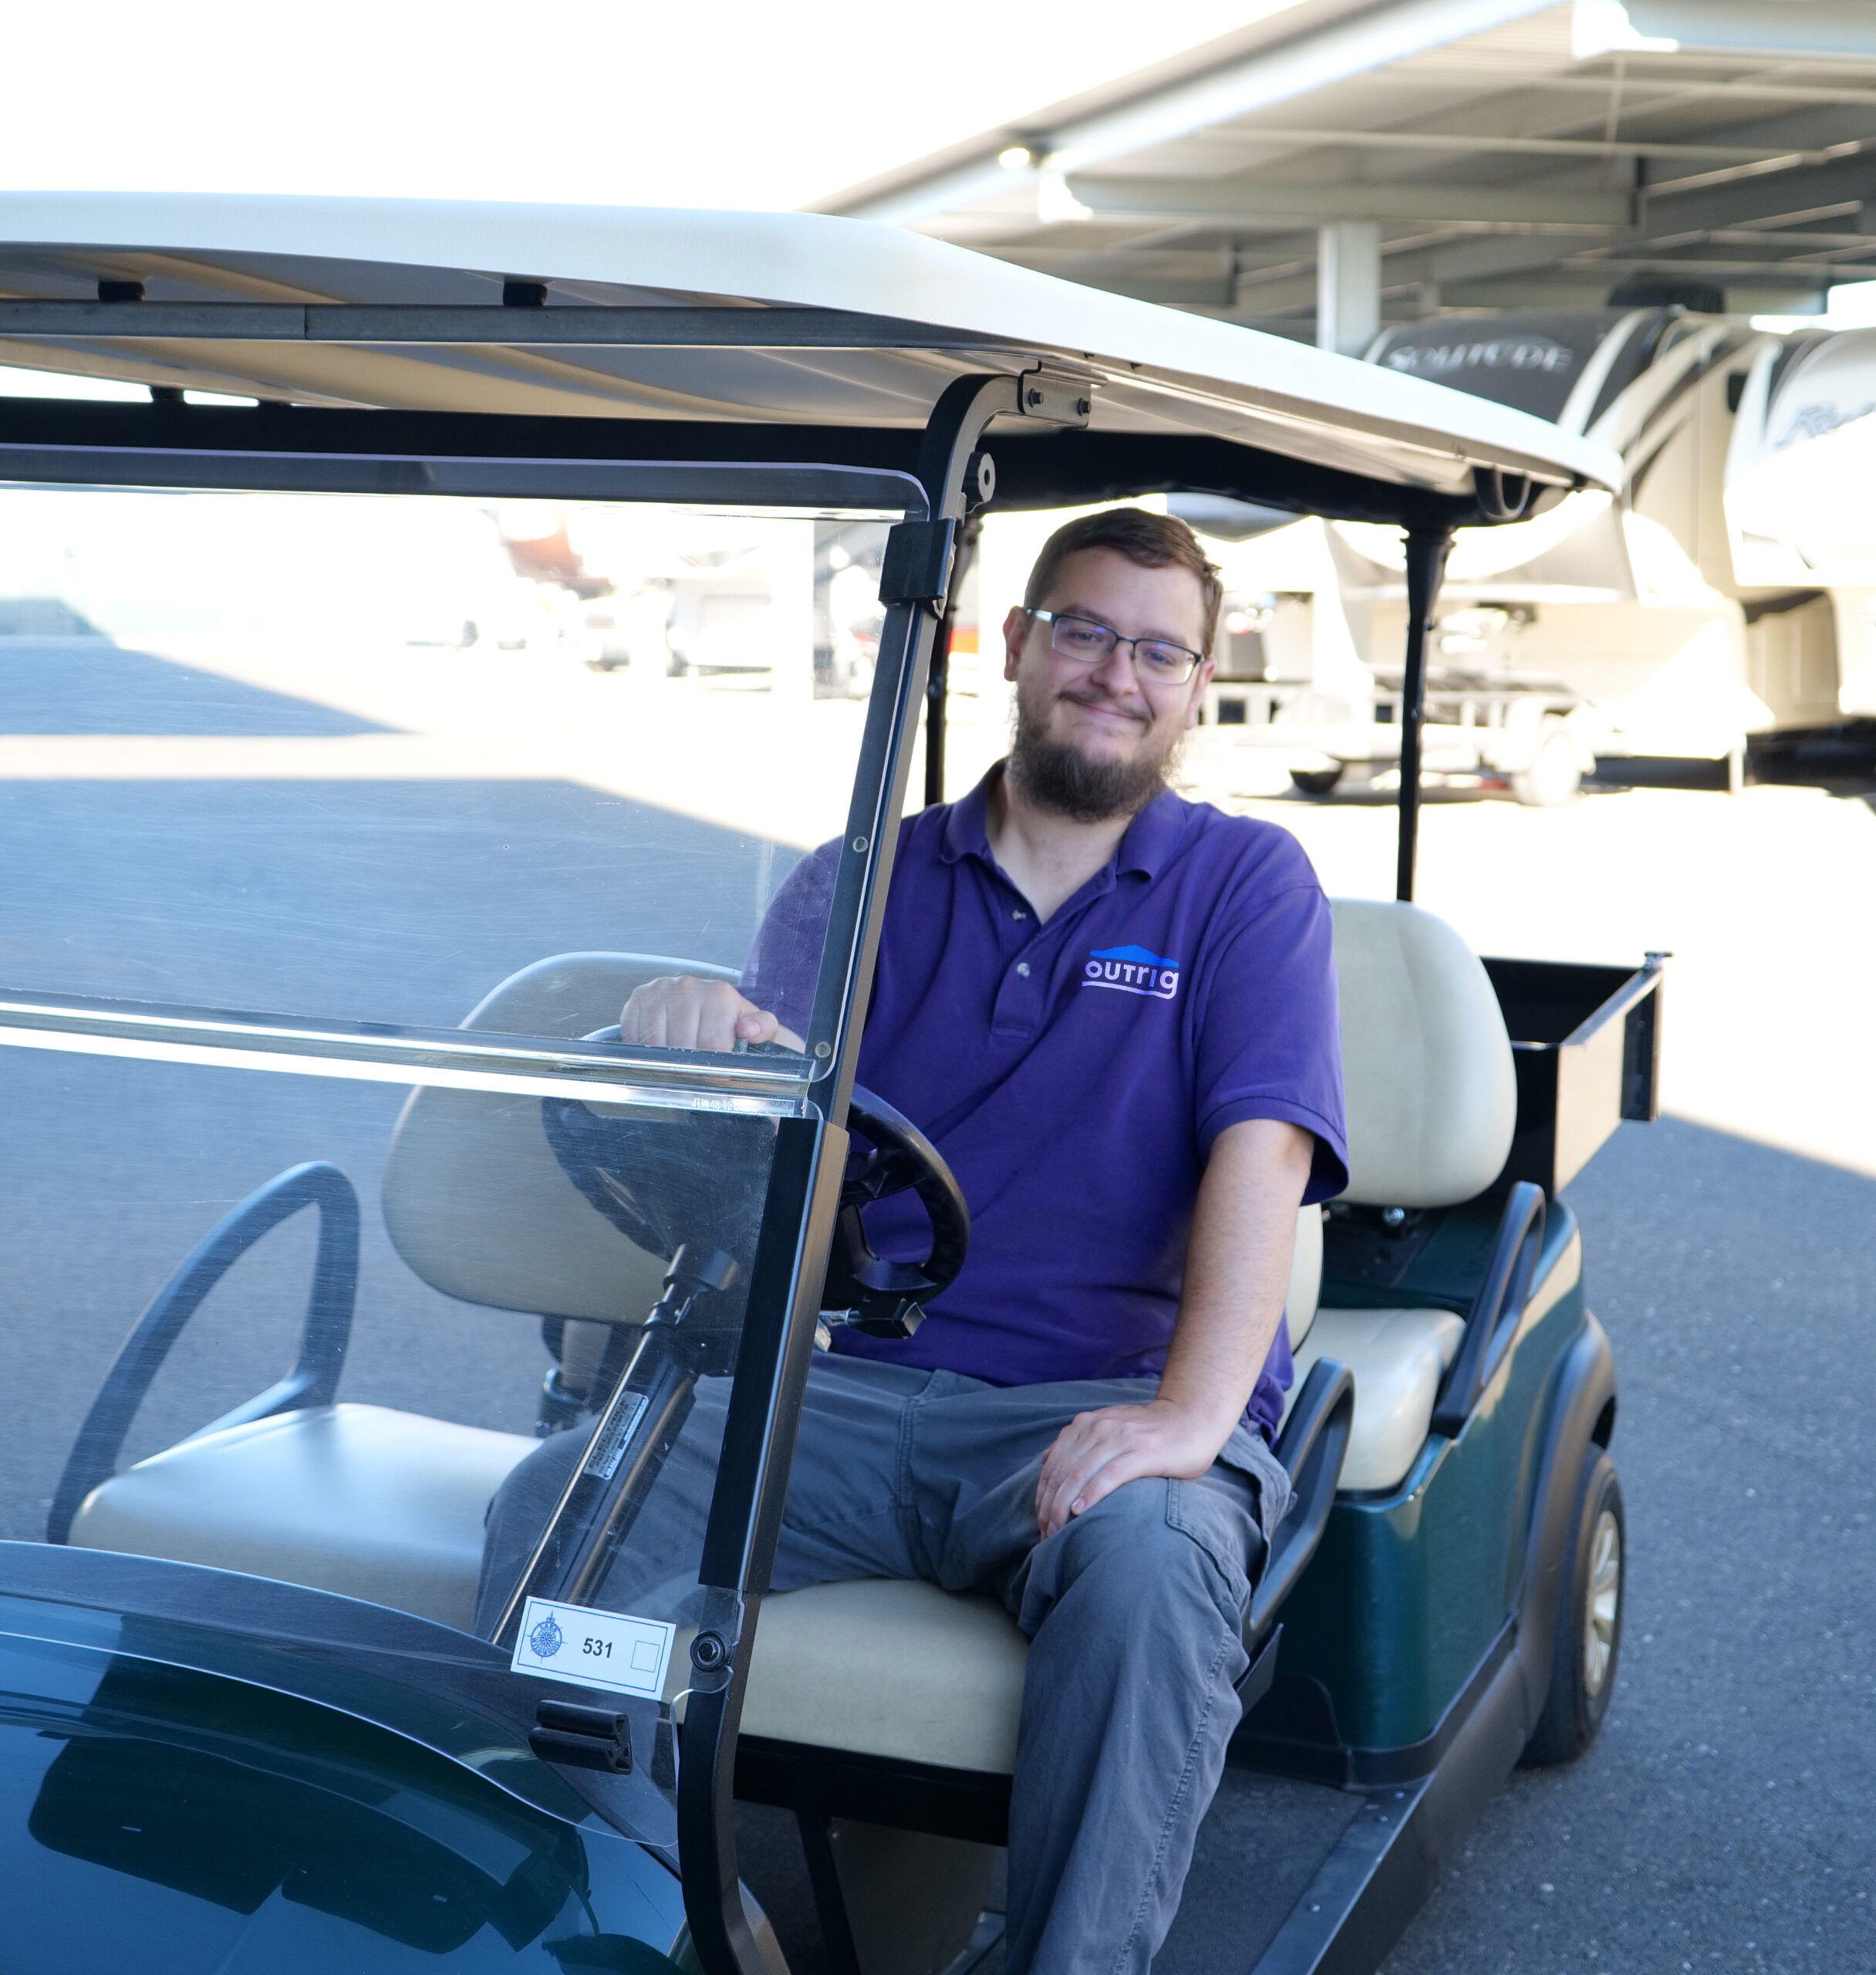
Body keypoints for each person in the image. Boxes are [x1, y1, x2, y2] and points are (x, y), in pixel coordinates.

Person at [481, 508, 1348, 1975]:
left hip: (1094, 1405)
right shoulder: (856, 882)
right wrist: (724, 1063)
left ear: (1198, 684)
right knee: (563, 1512)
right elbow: (792, 1240)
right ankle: (659, 1912)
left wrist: (1192, 1420)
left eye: (1158, 649)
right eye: (1083, 631)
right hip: (857, 1391)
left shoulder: (1244, 885)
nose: (1115, 674)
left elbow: (1258, 1153)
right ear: (1013, 645)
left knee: (1149, 1566)